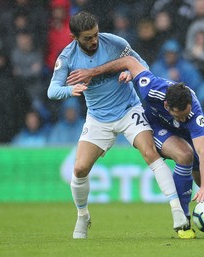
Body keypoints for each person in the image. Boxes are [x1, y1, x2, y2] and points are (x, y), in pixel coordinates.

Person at [66, 55, 204, 238]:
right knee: (184, 155)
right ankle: (184, 223)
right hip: (155, 128)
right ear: (167, 106)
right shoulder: (149, 87)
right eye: (179, 115)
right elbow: (128, 60)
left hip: (183, 135)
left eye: (186, 113)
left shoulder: (194, 112)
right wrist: (95, 72)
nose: (184, 118)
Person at [47, 11, 193, 239]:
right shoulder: (67, 57)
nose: (94, 40)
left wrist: (128, 72)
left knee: (150, 153)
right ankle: (83, 215)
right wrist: (70, 90)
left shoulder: (115, 43)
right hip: (97, 118)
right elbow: (52, 90)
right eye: (87, 38)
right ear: (74, 37)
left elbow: (140, 64)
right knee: (79, 169)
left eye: (95, 34)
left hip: (128, 110)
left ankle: (176, 211)